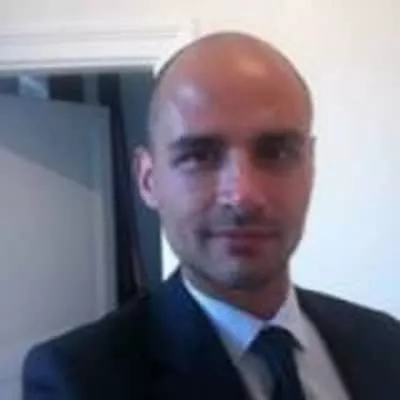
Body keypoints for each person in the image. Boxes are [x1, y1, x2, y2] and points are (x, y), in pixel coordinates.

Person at [23, 32, 400, 400]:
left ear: (311, 167)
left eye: (277, 152)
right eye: (199, 156)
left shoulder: (385, 342)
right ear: (148, 180)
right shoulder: (77, 382)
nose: (243, 196)